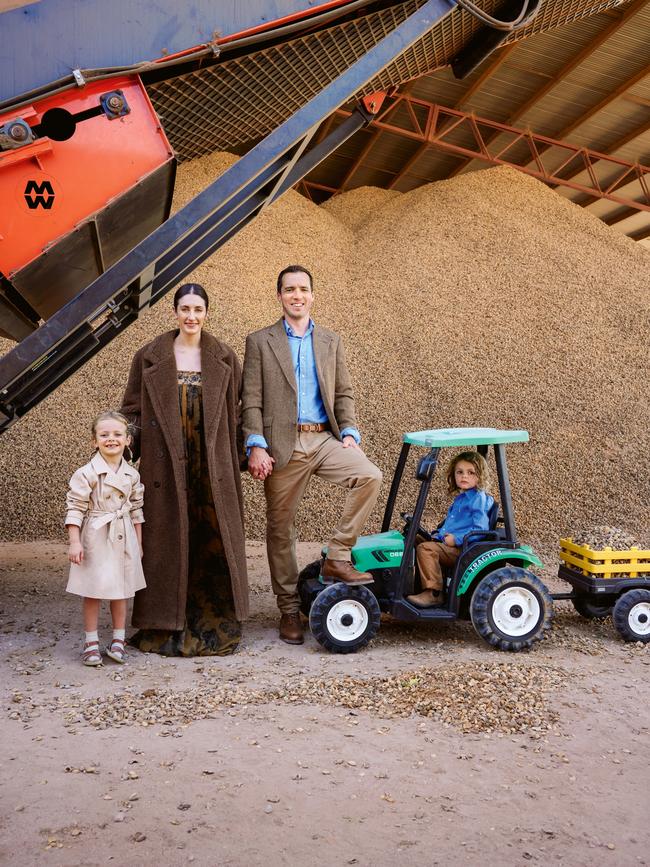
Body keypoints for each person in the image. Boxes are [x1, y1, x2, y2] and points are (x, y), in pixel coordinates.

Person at [242, 264, 383, 645]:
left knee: (369, 475)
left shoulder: (331, 341)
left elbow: (343, 393)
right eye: (289, 289)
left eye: (303, 289)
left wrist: (350, 433)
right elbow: (251, 401)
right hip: (281, 447)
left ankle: (337, 555)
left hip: (323, 440)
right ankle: (289, 609)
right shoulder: (259, 341)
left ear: (312, 295)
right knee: (280, 530)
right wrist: (255, 444)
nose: (297, 295)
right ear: (279, 296)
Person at [120, 283, 249, 656]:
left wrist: (244, 454)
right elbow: (133, 411)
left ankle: (214, 618)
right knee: (168, 541)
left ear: (207, 313)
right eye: (185, 309)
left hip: (211, 466)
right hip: (165, 465)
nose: (191, 316)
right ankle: (164, 623)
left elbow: (237, 415)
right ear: (174, 312)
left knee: (210, 537)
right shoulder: (148, 356)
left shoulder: (223, 356)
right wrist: (123, 444)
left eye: (198, 309)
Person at [65, 410, 145, 666]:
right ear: (94, 440)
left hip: (124, 535)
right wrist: (75, 541)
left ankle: (118, 641)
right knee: (93, 590)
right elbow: (75, 508)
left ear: (128, 440)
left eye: (117, 434)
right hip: (96, 535)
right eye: (104, 434)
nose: (111, 439)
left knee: (120, 590)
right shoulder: (86, 473)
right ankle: (91, 642)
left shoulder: (132, 475)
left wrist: (139, 543)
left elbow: (136, 510)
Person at [407, 451, 494, 608]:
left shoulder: (478, 499)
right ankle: (411, 583)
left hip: (463, 549)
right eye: (459, 472)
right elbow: (453, 525)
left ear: (480, 476)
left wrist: (456, 539)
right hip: (451, 544)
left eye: (470, 472)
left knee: (426, 549)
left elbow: (480, 528)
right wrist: (438, 535)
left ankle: (433, 593)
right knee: (412, 539)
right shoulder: (461, 498)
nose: (464, 476)